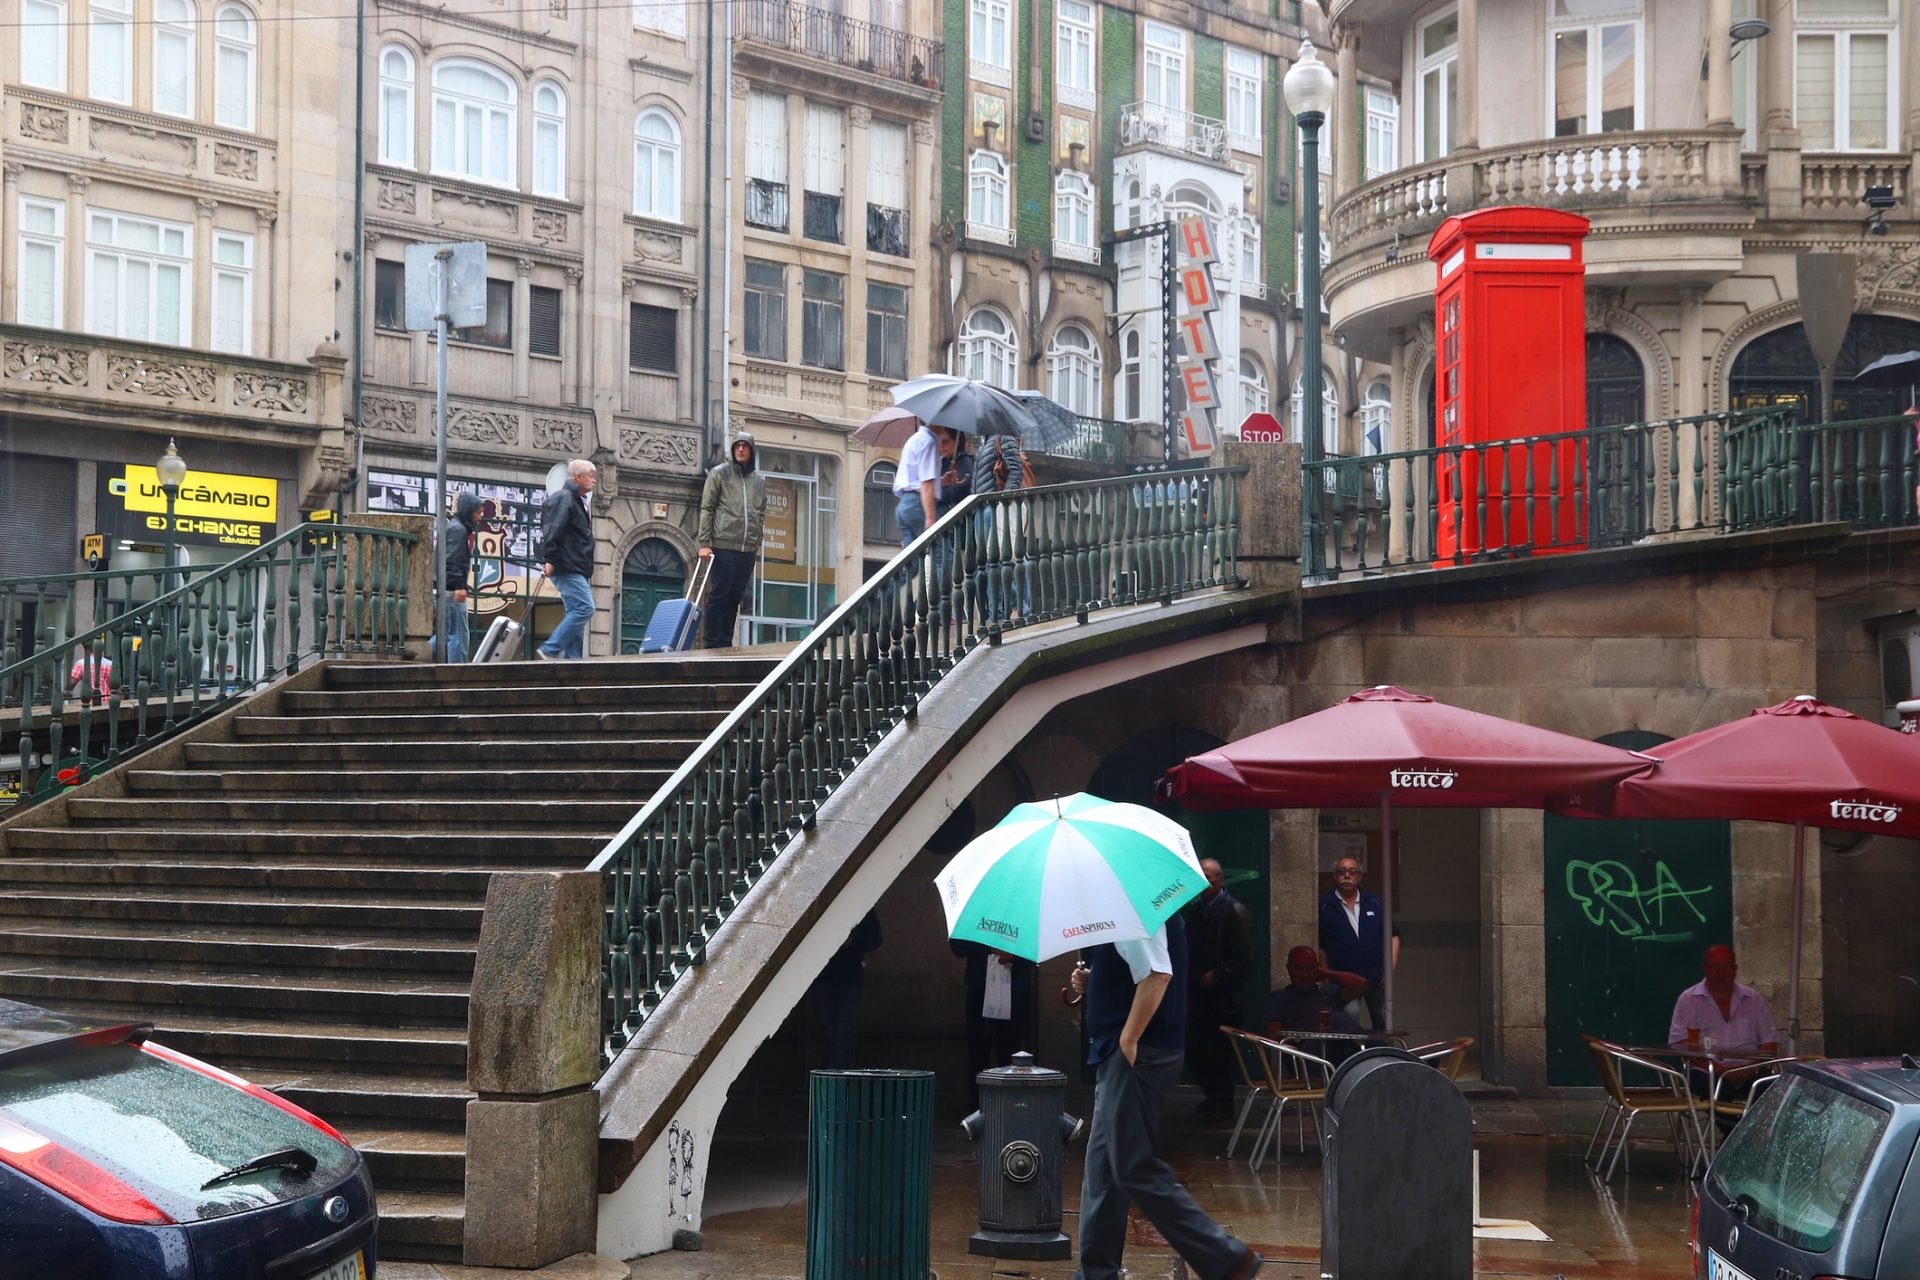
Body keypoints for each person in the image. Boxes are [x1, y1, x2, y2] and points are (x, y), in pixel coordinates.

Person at [1069, 915, 1263, 1280]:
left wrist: (1127, 1040)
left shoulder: (1133, 907)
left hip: (1137, 1053)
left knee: (1130, 1166)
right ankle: (1096, 1272)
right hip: (1127, 1052)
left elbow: (1158, 975)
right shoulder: (1129, 906)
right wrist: (1093, 982)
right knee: (1103, 1169)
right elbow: (1140, 969)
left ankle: (1225, 1258)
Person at [1669, 944, 1780, 1123]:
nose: (1721, 973)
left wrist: (1750, 1066)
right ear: (1706, 968)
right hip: (1708, 1069)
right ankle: (1735, 1137)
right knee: (1712, 1088)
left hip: (1750, 1069)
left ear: (1735, 970)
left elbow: (1770, 1042)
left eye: (1726, 967)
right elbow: (1680, 1044)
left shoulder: (1753, 999)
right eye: (1715, 967)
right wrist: (1718, 1069)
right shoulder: (1688, 1000)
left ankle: (1742, 1135)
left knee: (1771, 1085)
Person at [1185, 859, 1254, 1119]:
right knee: (1193, 1048)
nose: (1204, 884)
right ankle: (1212, 1096)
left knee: (1224, 1053)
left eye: (1208, 879)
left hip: (1225, 998)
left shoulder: (1236, 912)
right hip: (1199, 996)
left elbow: (1245, 959)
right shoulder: (1196, 912)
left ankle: (1222, 1106)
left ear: (1220, 880)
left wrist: (1217, 975)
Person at [697, 433, 769, 650]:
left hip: (747, 548)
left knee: (735, 597)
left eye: (745, 447)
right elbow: (707, 507)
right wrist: (704, 542)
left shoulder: (759, 481)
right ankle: (711, 643)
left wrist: (757, 538)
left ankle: (725, 643)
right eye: (737, 446)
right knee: (719, 594)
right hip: (724, 543)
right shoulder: (720, 474)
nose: (740, 450)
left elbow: (761, 512)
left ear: (751, 451)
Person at [1317, 854, 1400, 1030]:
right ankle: (1352, 1056)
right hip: (1344, 980)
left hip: (1376, 977)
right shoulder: (1324, 905)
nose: (1347, 875)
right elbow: (1320, 944)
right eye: (1342, 871)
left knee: (1383, 1022)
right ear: (1335, 876)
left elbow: (1393, 935)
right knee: (1349, 1022)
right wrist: (1325, 972)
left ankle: (1382, 1055)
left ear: (1359, 877)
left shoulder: (1374, 902)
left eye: (1352, 871)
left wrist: (1390, 967)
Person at [950, 939, 1033, 1110]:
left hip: (1012, 988)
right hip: (979, 986)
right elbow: (957, 947)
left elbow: (1034, 951)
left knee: (1011, 1050)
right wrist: (987, 945)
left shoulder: (1022, 913)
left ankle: (1013, 1105)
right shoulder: (975, 914)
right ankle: (978, 1106)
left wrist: (1015, 957)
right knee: (978, 1049)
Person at [536, 459, 598, 660]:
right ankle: (550, 648)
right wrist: (551, 559)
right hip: (567, 565)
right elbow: (554, 530)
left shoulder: (574, 500)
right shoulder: (565, 498)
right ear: (578, 477)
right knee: (585, 608)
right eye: (591, 475)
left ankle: (572, 661)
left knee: (575, 611)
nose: (594, 481)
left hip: (572, 565)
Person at [1264, 946, 1367, 1063]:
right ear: (1289, 969)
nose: (1305, 974)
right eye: (1299, 968)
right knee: (1337, 1018)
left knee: (1366, 1043)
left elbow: (1361, 985)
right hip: (1306, 1056)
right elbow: (1274, 1037)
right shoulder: (1279, 998)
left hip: (1341, 1050)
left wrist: (1325, 973)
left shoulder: (1327, 993)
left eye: (1310, 968)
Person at [812, 910, 882, 1069]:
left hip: (845, 974)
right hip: (832, 973)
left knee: (842, 1029)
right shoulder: (834, 905)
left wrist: (853, 941)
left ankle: (837, 1072)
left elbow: (876, 938)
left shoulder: (862, 906)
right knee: (836, 1029)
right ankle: (840, 1071)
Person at [971, 433, 1029, 621]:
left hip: (993, 507)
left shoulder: (1004, 438)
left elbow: (1015, 471)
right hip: (982, 507)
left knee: (1002, 559)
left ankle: (1014, 608)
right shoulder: (987, 440)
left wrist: (1002, 500)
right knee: (991, 561)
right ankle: (1000, 610)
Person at [436, 490, 483, 663]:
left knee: (444, 635)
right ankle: (458, 675)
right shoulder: (458, 530)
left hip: (446, 588)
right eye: (478, 512)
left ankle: (422, 660)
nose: (480, 517)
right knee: (459, 636)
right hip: (451, 591)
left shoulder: (454, 527)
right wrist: (459, 586)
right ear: (469, 511)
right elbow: (453, 560)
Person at [894, 421, 948, 547]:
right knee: (941, 553)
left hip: (904, 505)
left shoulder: (914, 439)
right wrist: (930, 518)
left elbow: (917, 477)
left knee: (910, 559)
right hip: (918, 505)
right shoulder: (929, 442)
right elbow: (926, 483)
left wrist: (941, 481)